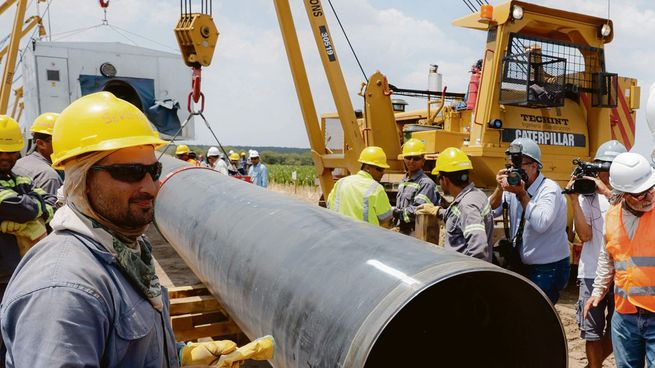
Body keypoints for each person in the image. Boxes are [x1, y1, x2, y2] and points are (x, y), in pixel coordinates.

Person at [0, 92, 239, 367]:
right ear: (83, 179)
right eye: (131, 172)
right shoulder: (64, 291)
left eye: (154, 170)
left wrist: (178, 355)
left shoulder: (123, 250)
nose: (150, 186)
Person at [584, 152, 655, 368]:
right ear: (623, 194)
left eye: (650, 190)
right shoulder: (612, 217)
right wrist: (598, 291)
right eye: (640, 195)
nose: (648, 197)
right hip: (625, 316)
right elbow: (608, 257)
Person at [565, 140, 625, 368]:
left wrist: (607, 192)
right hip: (591, 271)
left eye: (608, 169)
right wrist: (574, 201)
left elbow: (628, 214)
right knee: (591, 332)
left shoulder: (631, 195)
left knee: (618, 329)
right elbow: (585, 236)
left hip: (621, 274)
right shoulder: (586, 195)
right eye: (601, 169)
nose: (604, 174)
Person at [489, 137, 570, 304]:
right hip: (521, 263)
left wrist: (522, 195)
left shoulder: (549, 190)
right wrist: (499, 189)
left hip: (548, 267)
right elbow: (488, 212)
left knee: (538, 316)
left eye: (519, 165)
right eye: (511, 165)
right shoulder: (513, 186)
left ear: (534, 166)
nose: (514, 169)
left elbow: (541, 223)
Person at [0, 115, 54, 301]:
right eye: (0, 152)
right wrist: (37, 210)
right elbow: (19, 209)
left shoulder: (19, 178)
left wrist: (33, 209)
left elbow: (51, 202)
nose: (5, 157)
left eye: (11, 151)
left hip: (22, 271)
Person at [416, 147, 494, 261]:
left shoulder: (467, 206)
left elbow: (479, 250)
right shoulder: (477, 195)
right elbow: (460, 218)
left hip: (464, 274)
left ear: (445, 180)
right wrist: (438, 211)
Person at [327, 146, 393, 227]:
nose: (383, 173)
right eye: (380, 169)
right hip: (365, 237)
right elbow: (386, 219)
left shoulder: (341, 182)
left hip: (340, 234)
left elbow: (329, 205)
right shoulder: (376, 188)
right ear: (367, 168)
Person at [392, 139, 439, 235]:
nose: (412, 161)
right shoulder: (404, 181)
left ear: (423, 161)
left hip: (417, 232)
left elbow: (418, 210)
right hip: (403, 231)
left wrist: (394, 212)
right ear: (404, 158)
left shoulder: (426, 183)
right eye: (408, 157)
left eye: (416, 158)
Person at [12, 112, 62, 203]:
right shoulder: (49, 176)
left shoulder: (18, 163)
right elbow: (52, 214)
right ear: (41, 144)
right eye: (60, 139)